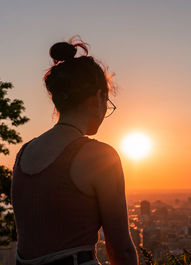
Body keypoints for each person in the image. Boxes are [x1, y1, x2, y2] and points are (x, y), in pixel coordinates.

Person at [11, 37, 138, 265]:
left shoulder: (24, 153)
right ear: (99, 97)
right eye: (107, 103)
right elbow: (122, 251)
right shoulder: (100, 157)